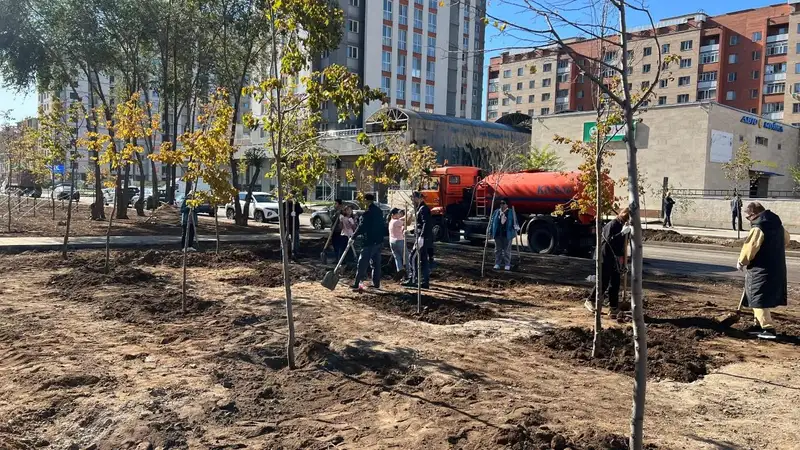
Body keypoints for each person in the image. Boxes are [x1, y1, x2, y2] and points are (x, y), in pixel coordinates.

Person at [736, 202, 790, 340]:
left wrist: (742, 261)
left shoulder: (758, 227)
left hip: (760, 268)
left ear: (753, 214)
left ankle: (768, 328)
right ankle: (758, 324)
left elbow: (750, 247)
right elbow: (786, 240)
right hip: (776, 266)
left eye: (748, 218)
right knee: (758, 296)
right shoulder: (778, 225)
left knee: (758, 298)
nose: (749, 220)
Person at [584, 208, 632, 316]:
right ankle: (590, 300)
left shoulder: (625, 227)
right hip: (605, 257)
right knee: (603, 281)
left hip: (616, 259)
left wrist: (624, 262)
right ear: (625, 217)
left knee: (615, 283)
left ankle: (613, 307)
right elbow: (609, 241)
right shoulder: (613, 225)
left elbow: (623, 246)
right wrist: (622, 233)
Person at [351, 193, 384, 291]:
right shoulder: (379, 211)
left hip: (369, 241)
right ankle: (376, 283)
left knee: (362, 263)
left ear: (366, 201)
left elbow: (362, 226)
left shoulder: (368, 213)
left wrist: (353, 236)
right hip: (378, 241)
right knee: (376, 263)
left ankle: (357, 283)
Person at [404, 191, 433, 289]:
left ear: (418, 198)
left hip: (422, 238)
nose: (412, 201)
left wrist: (422, 236)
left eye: (413, 198)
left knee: (412, 257)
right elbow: (420, 225)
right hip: (422, 237)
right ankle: (425, 282)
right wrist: (411, 232)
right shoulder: (421, 208)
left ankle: (413, 279)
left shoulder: (423, 209)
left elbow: (426, 223)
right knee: (423, 260)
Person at [489, 198, 518, 271]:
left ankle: (507, 264)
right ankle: (497, 263)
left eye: (503, 203)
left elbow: (516, 222)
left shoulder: (511, 212)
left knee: (507, 251)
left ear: (507, 205)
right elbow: (492, 222)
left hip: (507, 235)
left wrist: (515, 227)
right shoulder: (496, 212)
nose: (501, 205)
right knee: (497, 250)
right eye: (501, 203)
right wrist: (490, 231)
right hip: (498, 234)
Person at [389, 208, 407, 273]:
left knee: (397, 258)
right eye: (398, 214)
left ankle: (400, 271)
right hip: (399, 241)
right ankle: (409, 273)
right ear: (393, 215)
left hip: (392, 241)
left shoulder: (391, 221)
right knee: (406, 257)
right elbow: (407, 221)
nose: (399, 215)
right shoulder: (396, 221)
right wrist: (409, 214)